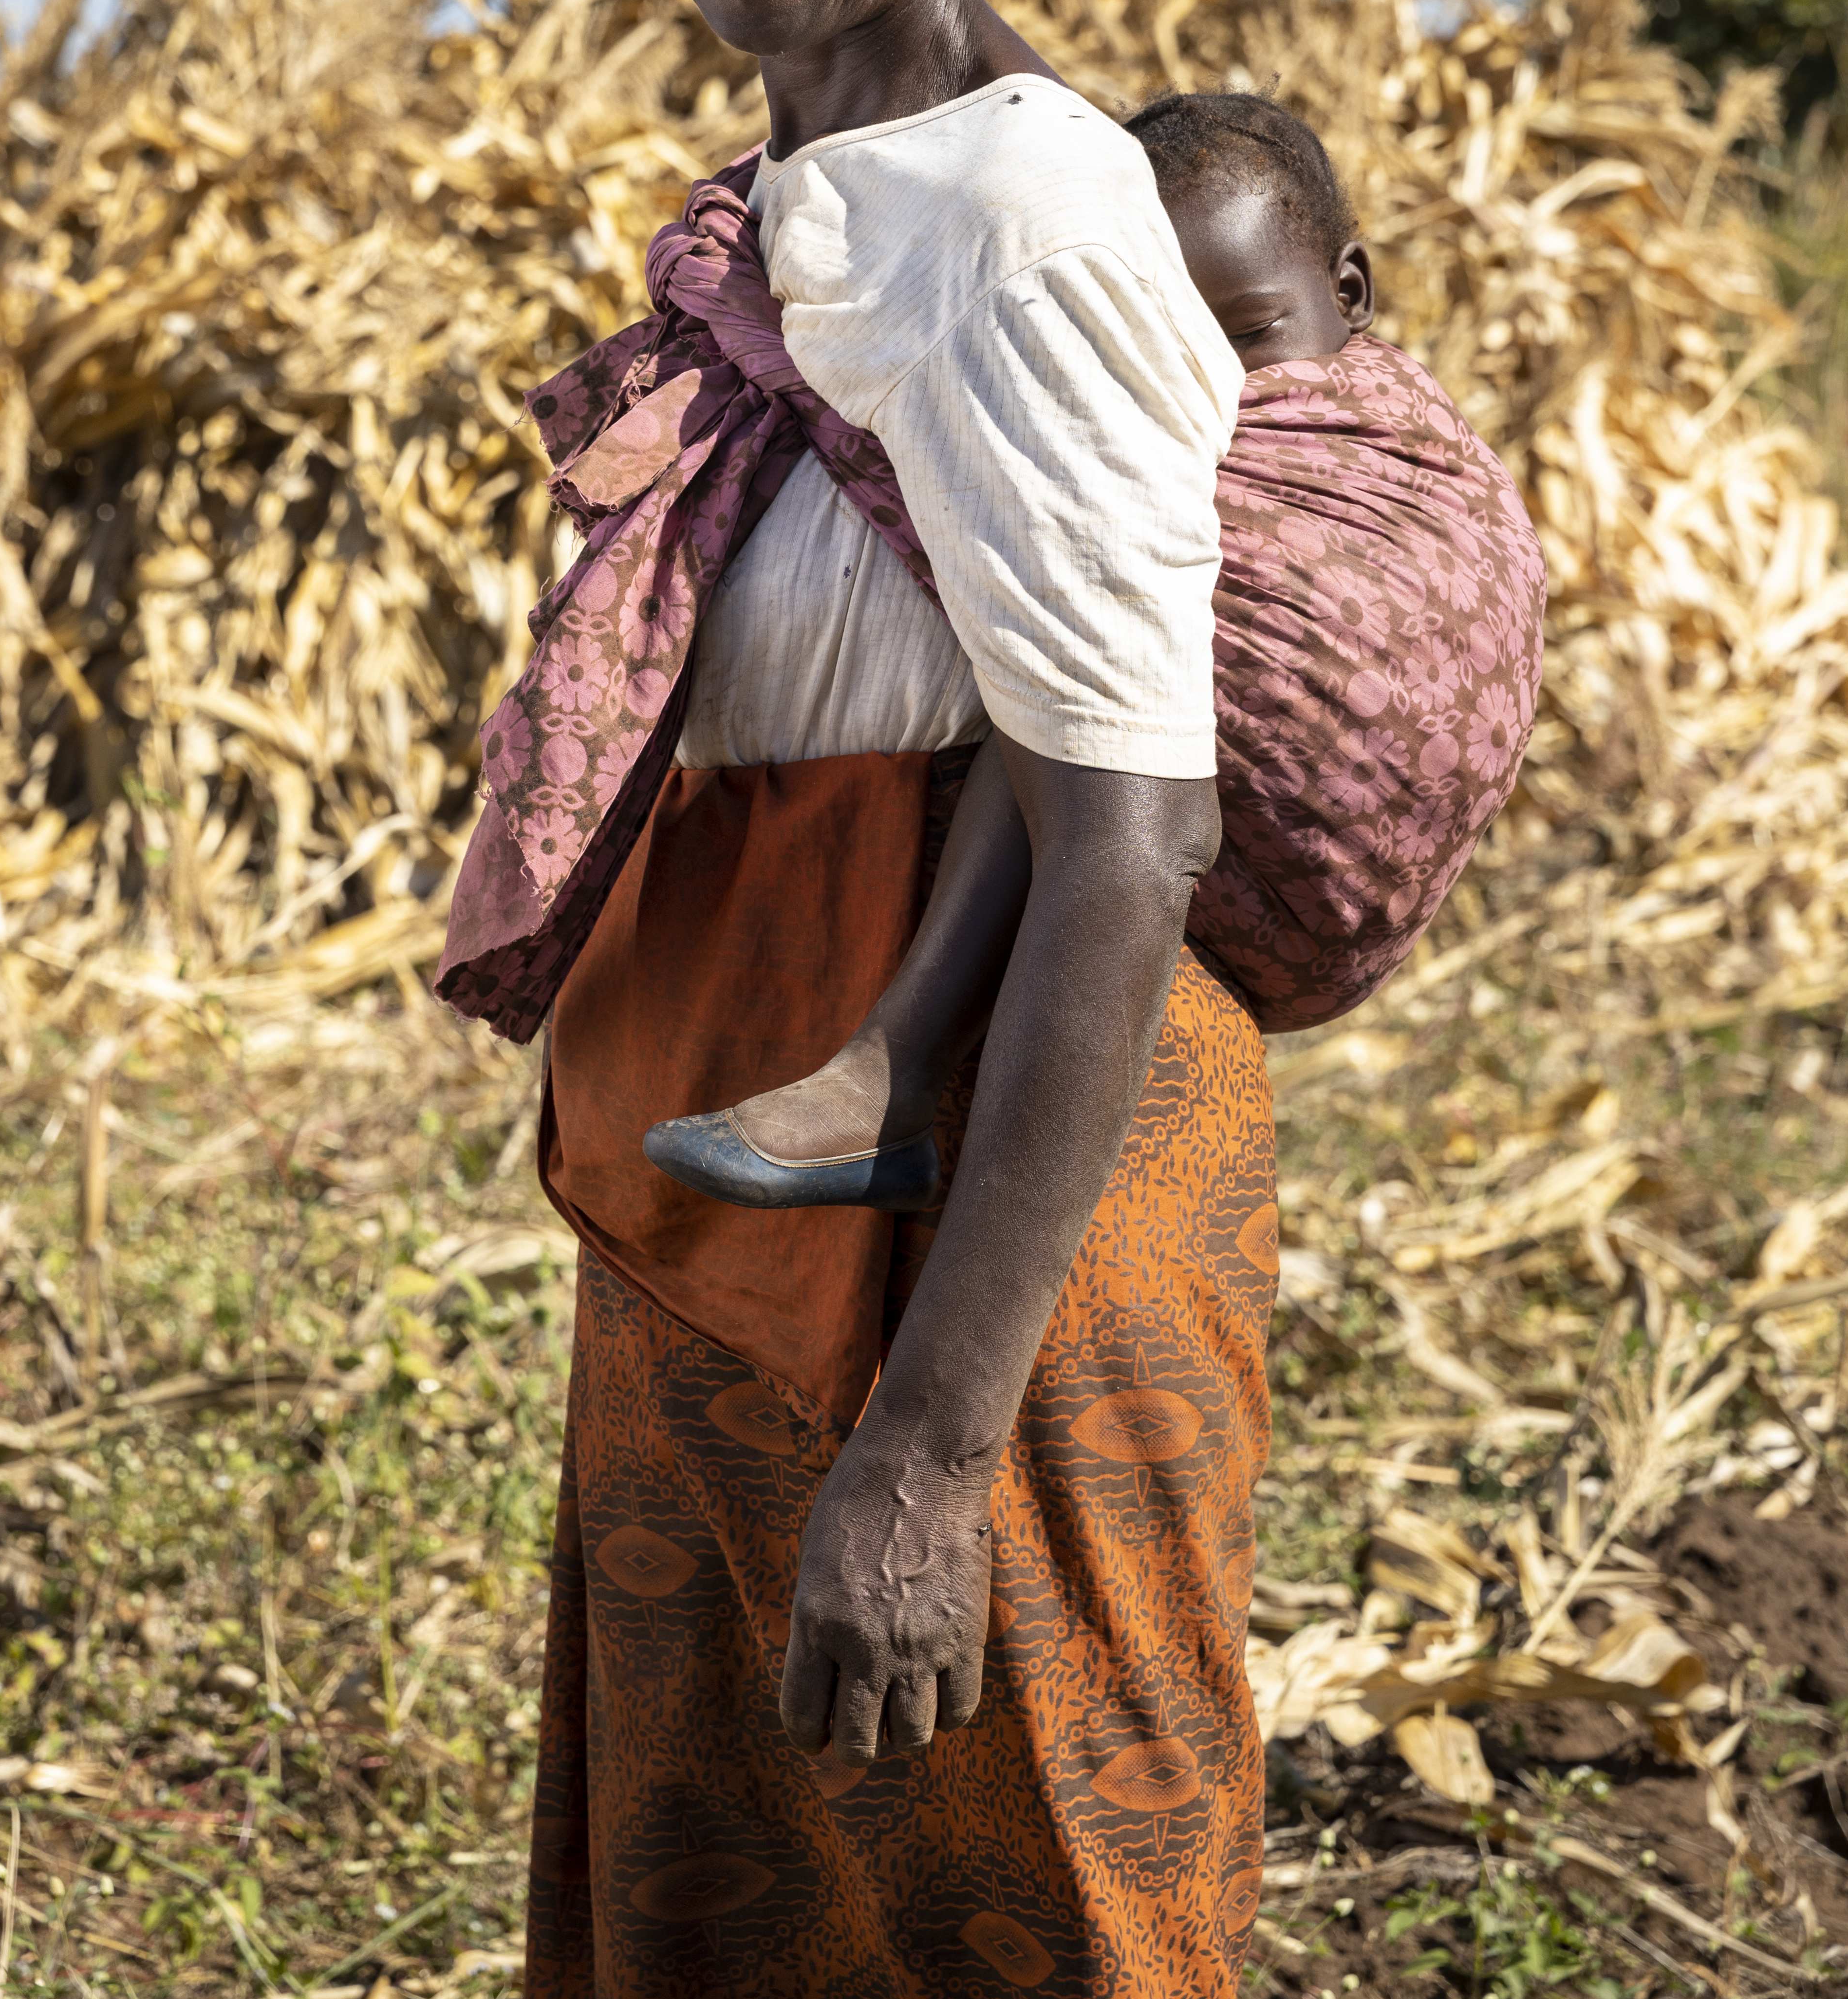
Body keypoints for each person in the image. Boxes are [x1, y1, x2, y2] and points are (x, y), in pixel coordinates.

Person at [441, 0, 1276, 1999]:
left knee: (1029, 1939)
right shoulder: (823, 200)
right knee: (752, 1936)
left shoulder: (1021, 209)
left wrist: (925, 1456)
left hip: (968, 1263)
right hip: (746, 1180)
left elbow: (1132, 831)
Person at [642, 90, 1545, 1214]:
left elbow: (969, 492)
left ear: (1348, 293)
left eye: (1247, 334)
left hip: (1317, 840)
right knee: (1085, 617)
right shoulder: (1126, 393)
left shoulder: (1380, 445)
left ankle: (894, 1069)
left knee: (1082, 650)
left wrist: (784, 341)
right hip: (1239, 859)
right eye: (1163, 345)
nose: (1203, 382)